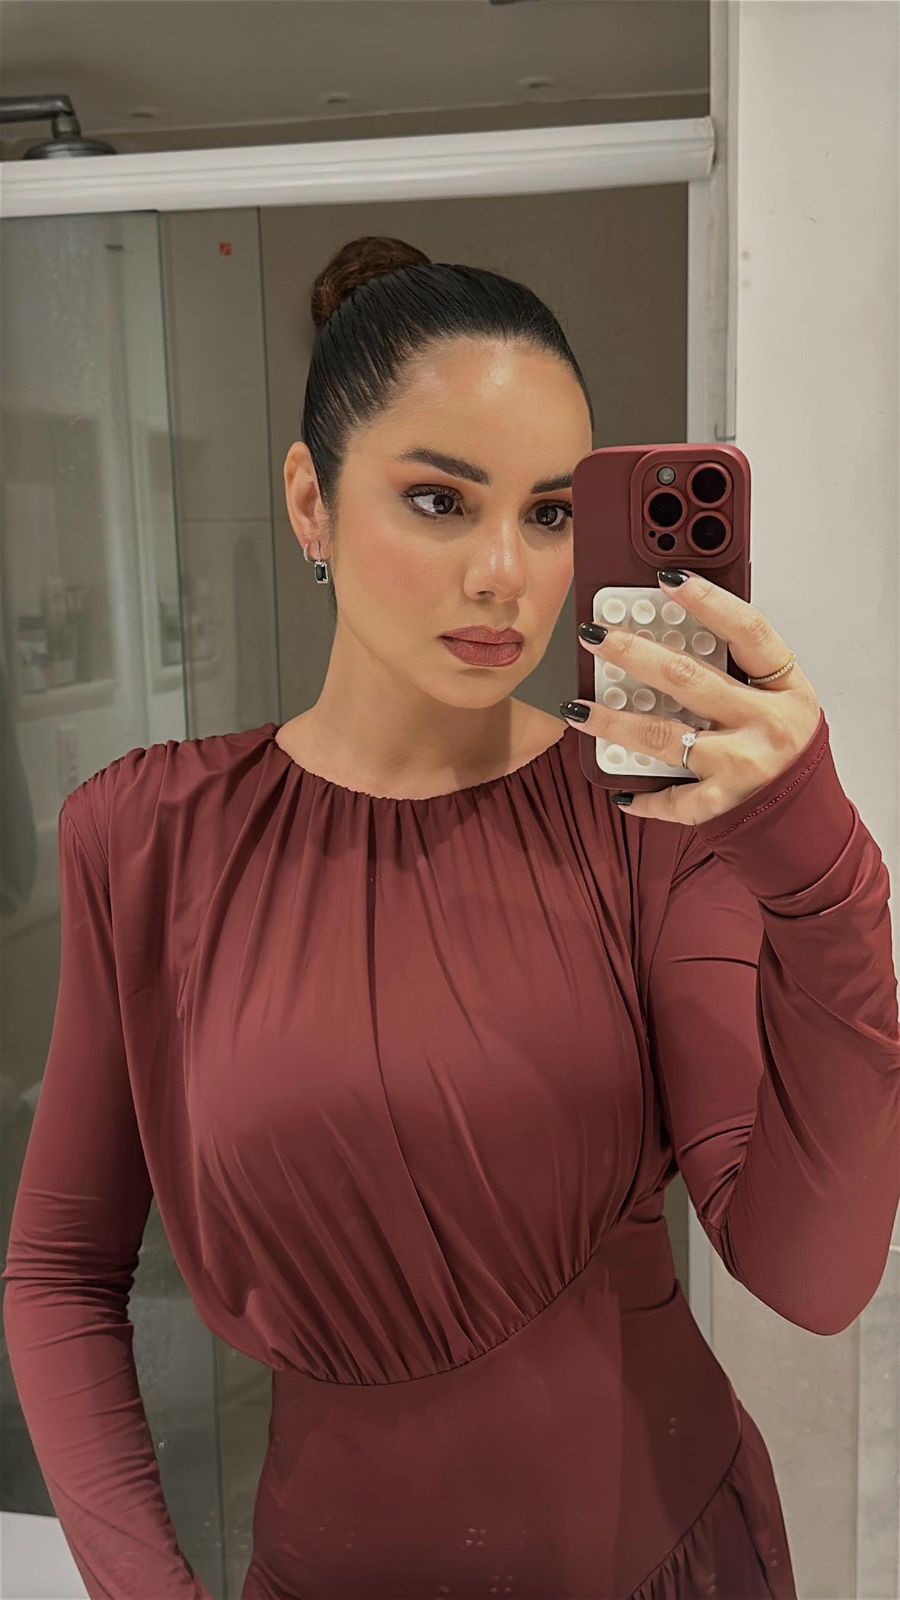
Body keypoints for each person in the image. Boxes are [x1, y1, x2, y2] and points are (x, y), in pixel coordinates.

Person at [3, 234, 899, 1600]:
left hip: (666, 1563)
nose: (504, 575)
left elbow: (813, 1276)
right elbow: (63, 1272)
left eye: (549, 514)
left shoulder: (653, 824)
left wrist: (818, 867)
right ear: (310, 500)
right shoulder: (147, 838)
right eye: (438, 500)